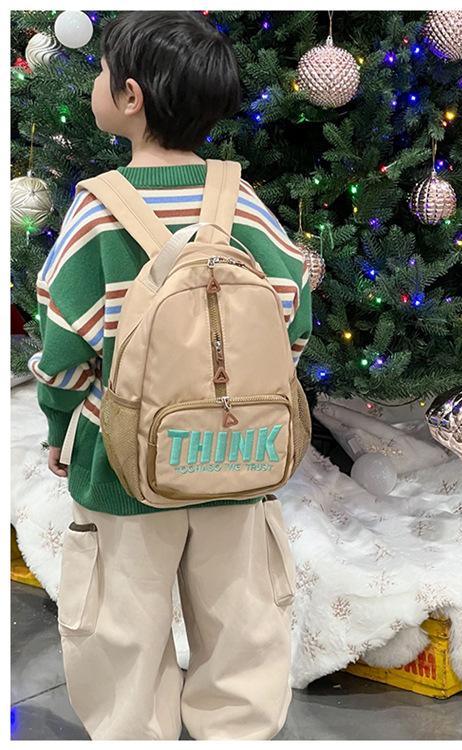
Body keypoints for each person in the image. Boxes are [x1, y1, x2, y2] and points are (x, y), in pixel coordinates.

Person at [28, 11, 311, 740]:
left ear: (129, 97)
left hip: (122, 461)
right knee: (244, 617)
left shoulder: (98, 211)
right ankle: (237, 731)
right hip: (239, 455)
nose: (94, 84)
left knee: (121, 625)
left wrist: (60, 427)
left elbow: (63, 348)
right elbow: (293, 309)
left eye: (101, 72)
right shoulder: (240, 199)